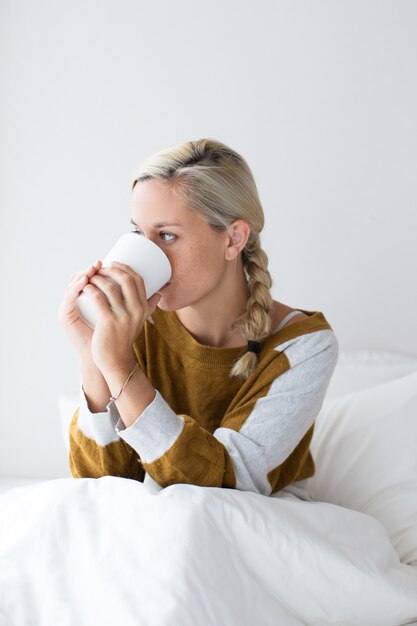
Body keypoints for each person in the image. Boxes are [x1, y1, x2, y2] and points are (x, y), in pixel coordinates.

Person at [58, 138, 339, 497]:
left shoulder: (304, 346)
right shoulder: (133, 325)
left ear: (233, 239)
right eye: (138, 235)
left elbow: (227, 483)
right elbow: (100, 489)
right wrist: (92, 358)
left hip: (261, 525)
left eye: (167, 235)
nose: (145, 254)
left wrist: (122, 370)